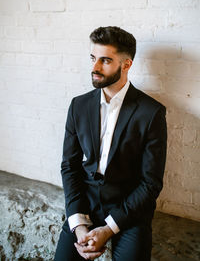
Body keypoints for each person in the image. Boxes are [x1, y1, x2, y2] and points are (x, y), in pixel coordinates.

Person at [54, 26, 167, 261]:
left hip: (130, 210)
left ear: (126, 65)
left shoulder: (151, 113)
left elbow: (150, 183)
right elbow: (69, 167)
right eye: (93, 58)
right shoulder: (78, 106)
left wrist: (109, 229)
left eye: (105, 60)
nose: (95, 67)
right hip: (85, 205)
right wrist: (79, 223)